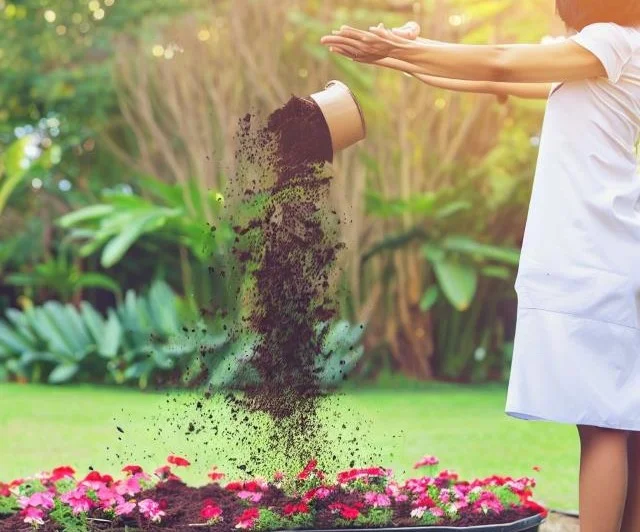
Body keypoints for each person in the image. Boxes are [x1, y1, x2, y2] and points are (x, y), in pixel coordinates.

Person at [321, 2, 640, 531]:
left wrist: (400, 48)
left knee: (603, 424)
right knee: (623, 425)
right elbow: (490, 77)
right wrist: (399, 57)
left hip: (593, 252)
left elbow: (499, 64)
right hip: (604, 250)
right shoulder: (609, 52)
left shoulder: (611, 40)